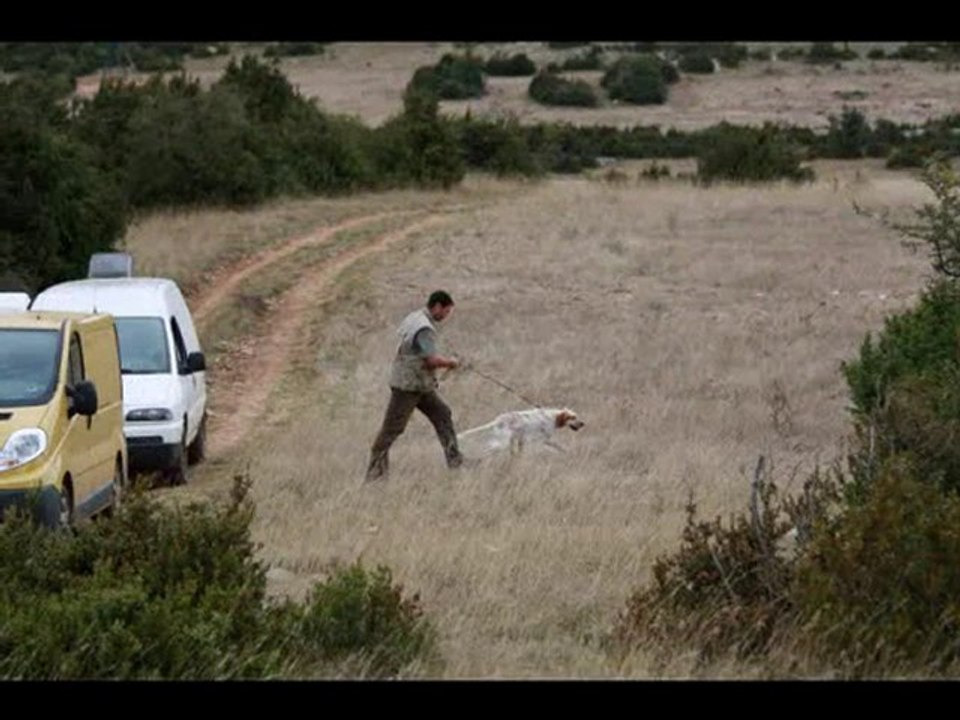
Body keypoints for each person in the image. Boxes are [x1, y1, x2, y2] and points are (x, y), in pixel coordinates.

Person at [366, 290, 464, 482]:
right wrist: (451, 363)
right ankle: (375, 475)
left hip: (419, 385)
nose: (446, 316)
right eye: (446, 311)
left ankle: (455, 461)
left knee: (443, 414)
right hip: (408, 387)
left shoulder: (415, 317)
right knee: (391, 430)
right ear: (437, 306)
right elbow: (430, 360)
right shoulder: (425, 328)